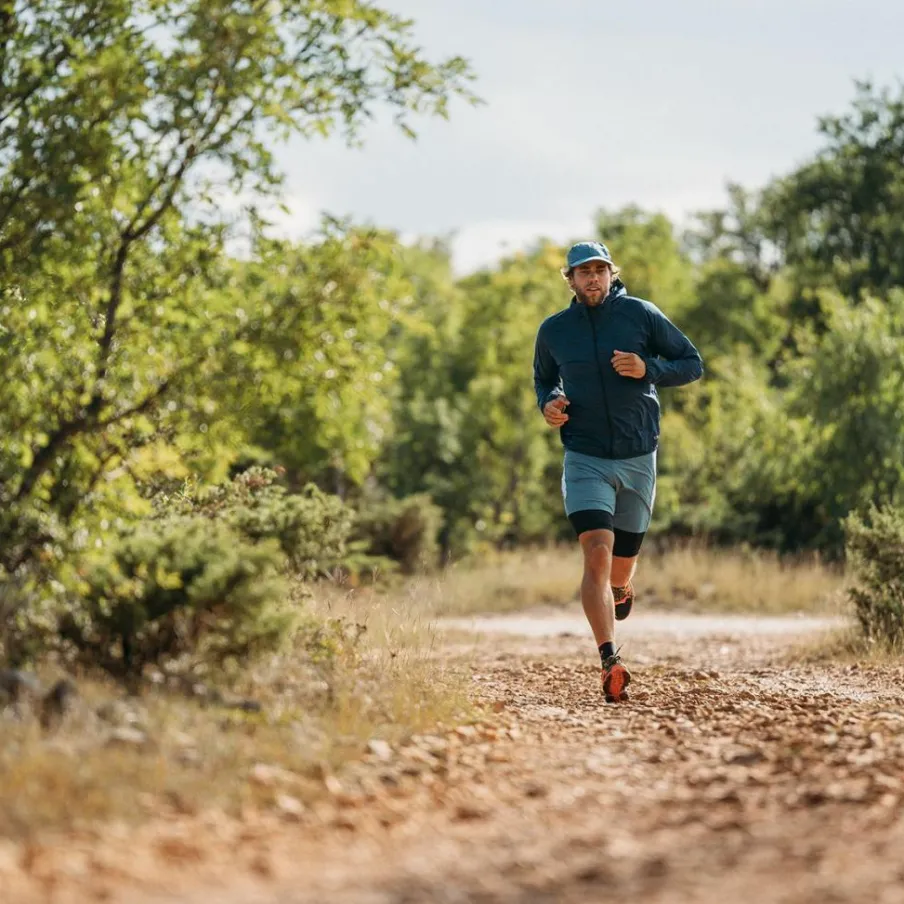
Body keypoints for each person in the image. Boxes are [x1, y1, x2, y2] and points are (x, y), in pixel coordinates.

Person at [533, 241, 703, 702]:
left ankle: (623, 588)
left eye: (599, 270)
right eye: (582, 271)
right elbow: (544, 379)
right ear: (569, 279)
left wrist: (648, 368)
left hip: (637, 455)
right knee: (596, 554)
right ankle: (610, 659)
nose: (592, 278)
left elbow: (692, 364)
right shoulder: (554, 331)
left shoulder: (641, 315)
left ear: (611, 274)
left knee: (619, 568)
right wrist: (548, 404)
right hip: (584, 454)